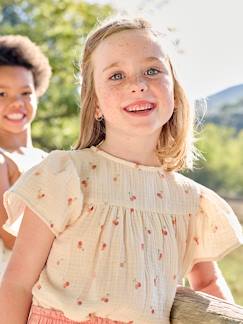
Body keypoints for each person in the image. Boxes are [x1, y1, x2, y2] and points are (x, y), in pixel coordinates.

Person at [0, 16, 242, 324]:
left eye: (152, 70)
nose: (138, 84)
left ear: (175, 91)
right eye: (116, 75)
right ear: (96, 103)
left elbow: (207, 285)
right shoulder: (65, 175)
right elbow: (17, 283)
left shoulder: (191, 201)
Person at [0, 35, 51, 279]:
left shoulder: (49, 160)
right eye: (1, 94)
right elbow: (12, 239)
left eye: (25, 92)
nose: (16, 103)